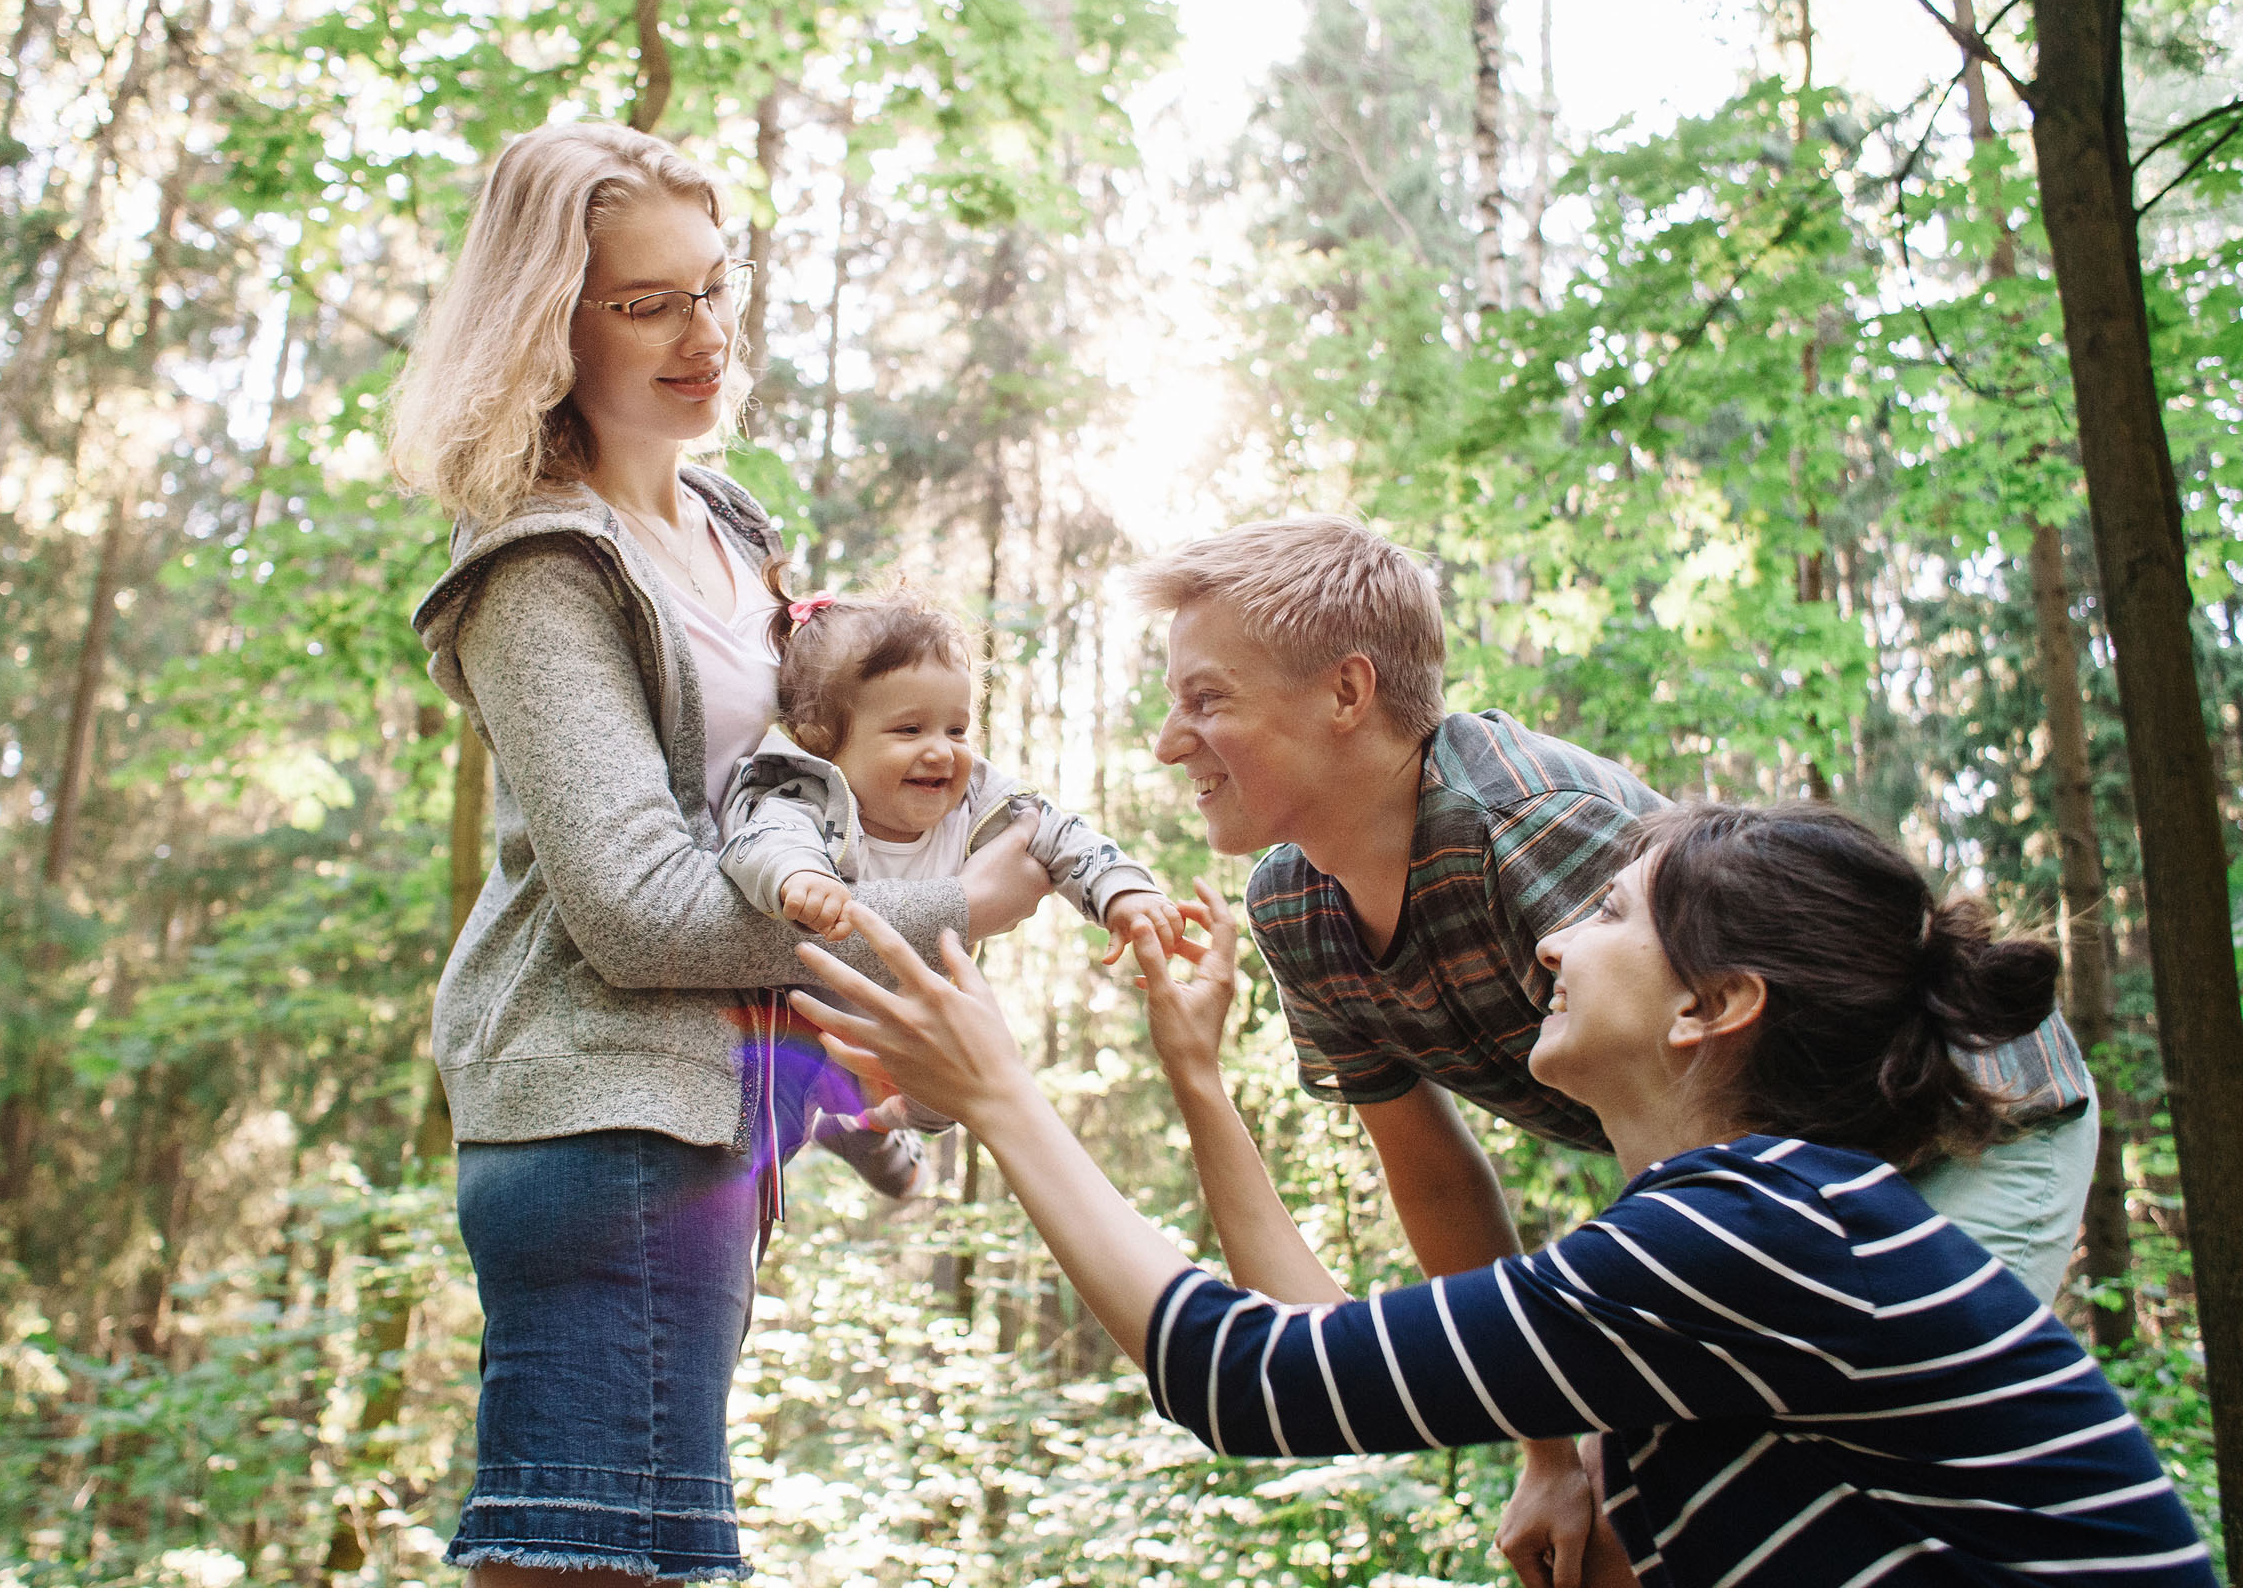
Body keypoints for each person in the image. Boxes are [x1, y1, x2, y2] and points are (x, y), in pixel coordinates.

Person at [785, 803, 2212, 1588]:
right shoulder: (1744, 1245)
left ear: (1714, 1005)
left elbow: (1246, 1380)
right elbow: (1319, 1344)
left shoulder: (1758, 1232)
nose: (1551, 942)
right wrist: (1198, 1078)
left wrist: (1000, 1097)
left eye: (1605, 916)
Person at [1124, 516, 2102, 1585]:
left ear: (1347, 694)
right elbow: (1432, 1168)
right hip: (1743, 1188)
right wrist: (1546, 1449)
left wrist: (1603, 1430)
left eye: (1206, 699)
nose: (1170, 740)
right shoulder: (1295, 908)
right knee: (1610, 1502)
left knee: (1707, 1501)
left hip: (1953, 1121)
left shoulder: (1533, 829)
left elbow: (1752, 1118)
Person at [392, 123, 1055, 1583]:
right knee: (600, 1562)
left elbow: (781, 809)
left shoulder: (727, 523)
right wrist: (955, 905)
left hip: (705, 1128)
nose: (707, 335)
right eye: (649, 305)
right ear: (544, 330)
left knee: (612, 1555)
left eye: (717, 284)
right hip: (597, 1117)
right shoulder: (541, 573)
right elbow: (635, 911)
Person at [717, 587, 1186, 1197]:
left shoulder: (982, 805)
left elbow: (1063, 837)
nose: (941, 750)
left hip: (925, 1022)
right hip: (815, 1022)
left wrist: (1123, 894)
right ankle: (838, 1122)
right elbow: (761, 842)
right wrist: (799, 878)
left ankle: (876, 1127)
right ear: (822, 739)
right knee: (787, 1089)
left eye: (957, 728)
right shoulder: (807, 799)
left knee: (952, 1098)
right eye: (909, 729)